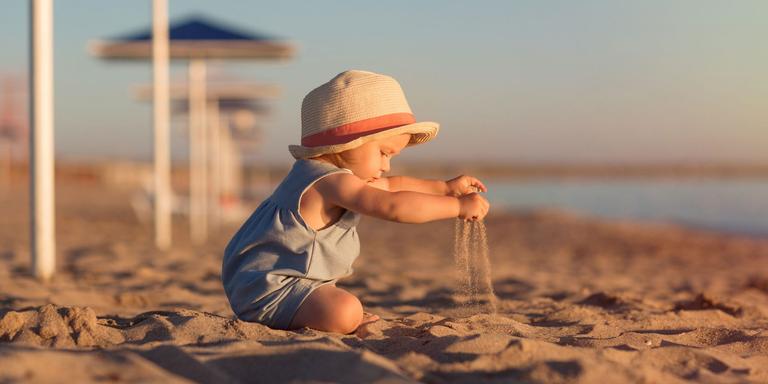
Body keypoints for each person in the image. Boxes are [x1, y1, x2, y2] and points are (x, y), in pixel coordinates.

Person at [222, 70, 490, 334]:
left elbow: (394, 186)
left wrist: (443, 188)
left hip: (271, 283)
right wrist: (457, 207)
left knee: (341, 304)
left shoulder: (321, 174)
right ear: (348, 143)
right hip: (274, 290)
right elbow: (392, 205)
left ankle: (318, 308)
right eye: (384, 153)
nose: (386, 165)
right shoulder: (329, 182)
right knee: (345, 311)